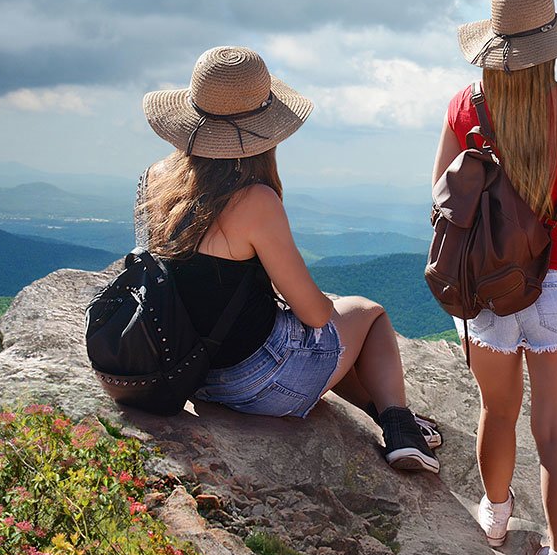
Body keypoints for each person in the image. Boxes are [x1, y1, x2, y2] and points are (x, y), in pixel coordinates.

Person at [139, 45, 440, 471]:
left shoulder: (158, 179)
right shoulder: (253, 199)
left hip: (189, 374)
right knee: (367, 314)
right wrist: (327, 307)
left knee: (330, 342)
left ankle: (394, 419)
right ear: (263, 132)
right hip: (256, 385)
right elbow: (316, 317)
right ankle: (401, 433)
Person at [436, 0, 557, 555]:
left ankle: (495, 513)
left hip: (487, 278)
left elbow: (443, 193)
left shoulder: (467, 106)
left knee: (497, 409)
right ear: (552, 47)